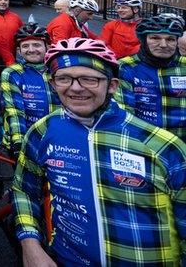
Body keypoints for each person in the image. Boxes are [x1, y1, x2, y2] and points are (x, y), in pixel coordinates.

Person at [12, 37, 186, 266]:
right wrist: (30, 244)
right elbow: (24, 190)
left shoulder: (163, 146)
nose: (75, 87)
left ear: (112, 85)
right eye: (63, 78)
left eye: (89, 79)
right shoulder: (42, 131)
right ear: (52, 84)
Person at [117, 15, 186, 141]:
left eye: (170, 39)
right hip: (144, 142)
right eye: (155, 38)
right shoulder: (126, 67)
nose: (164, 45)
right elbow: (124, 115)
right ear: (143, 40)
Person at [0, 25, 57, 151]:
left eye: (37, 45)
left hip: (57, 138)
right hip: (26, 138)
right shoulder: (12, 73)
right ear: (19, 51)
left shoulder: (59, 71)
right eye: (25, 46)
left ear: (47, 47)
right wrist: (19, 141)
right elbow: (13, 110)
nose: (31, 50)